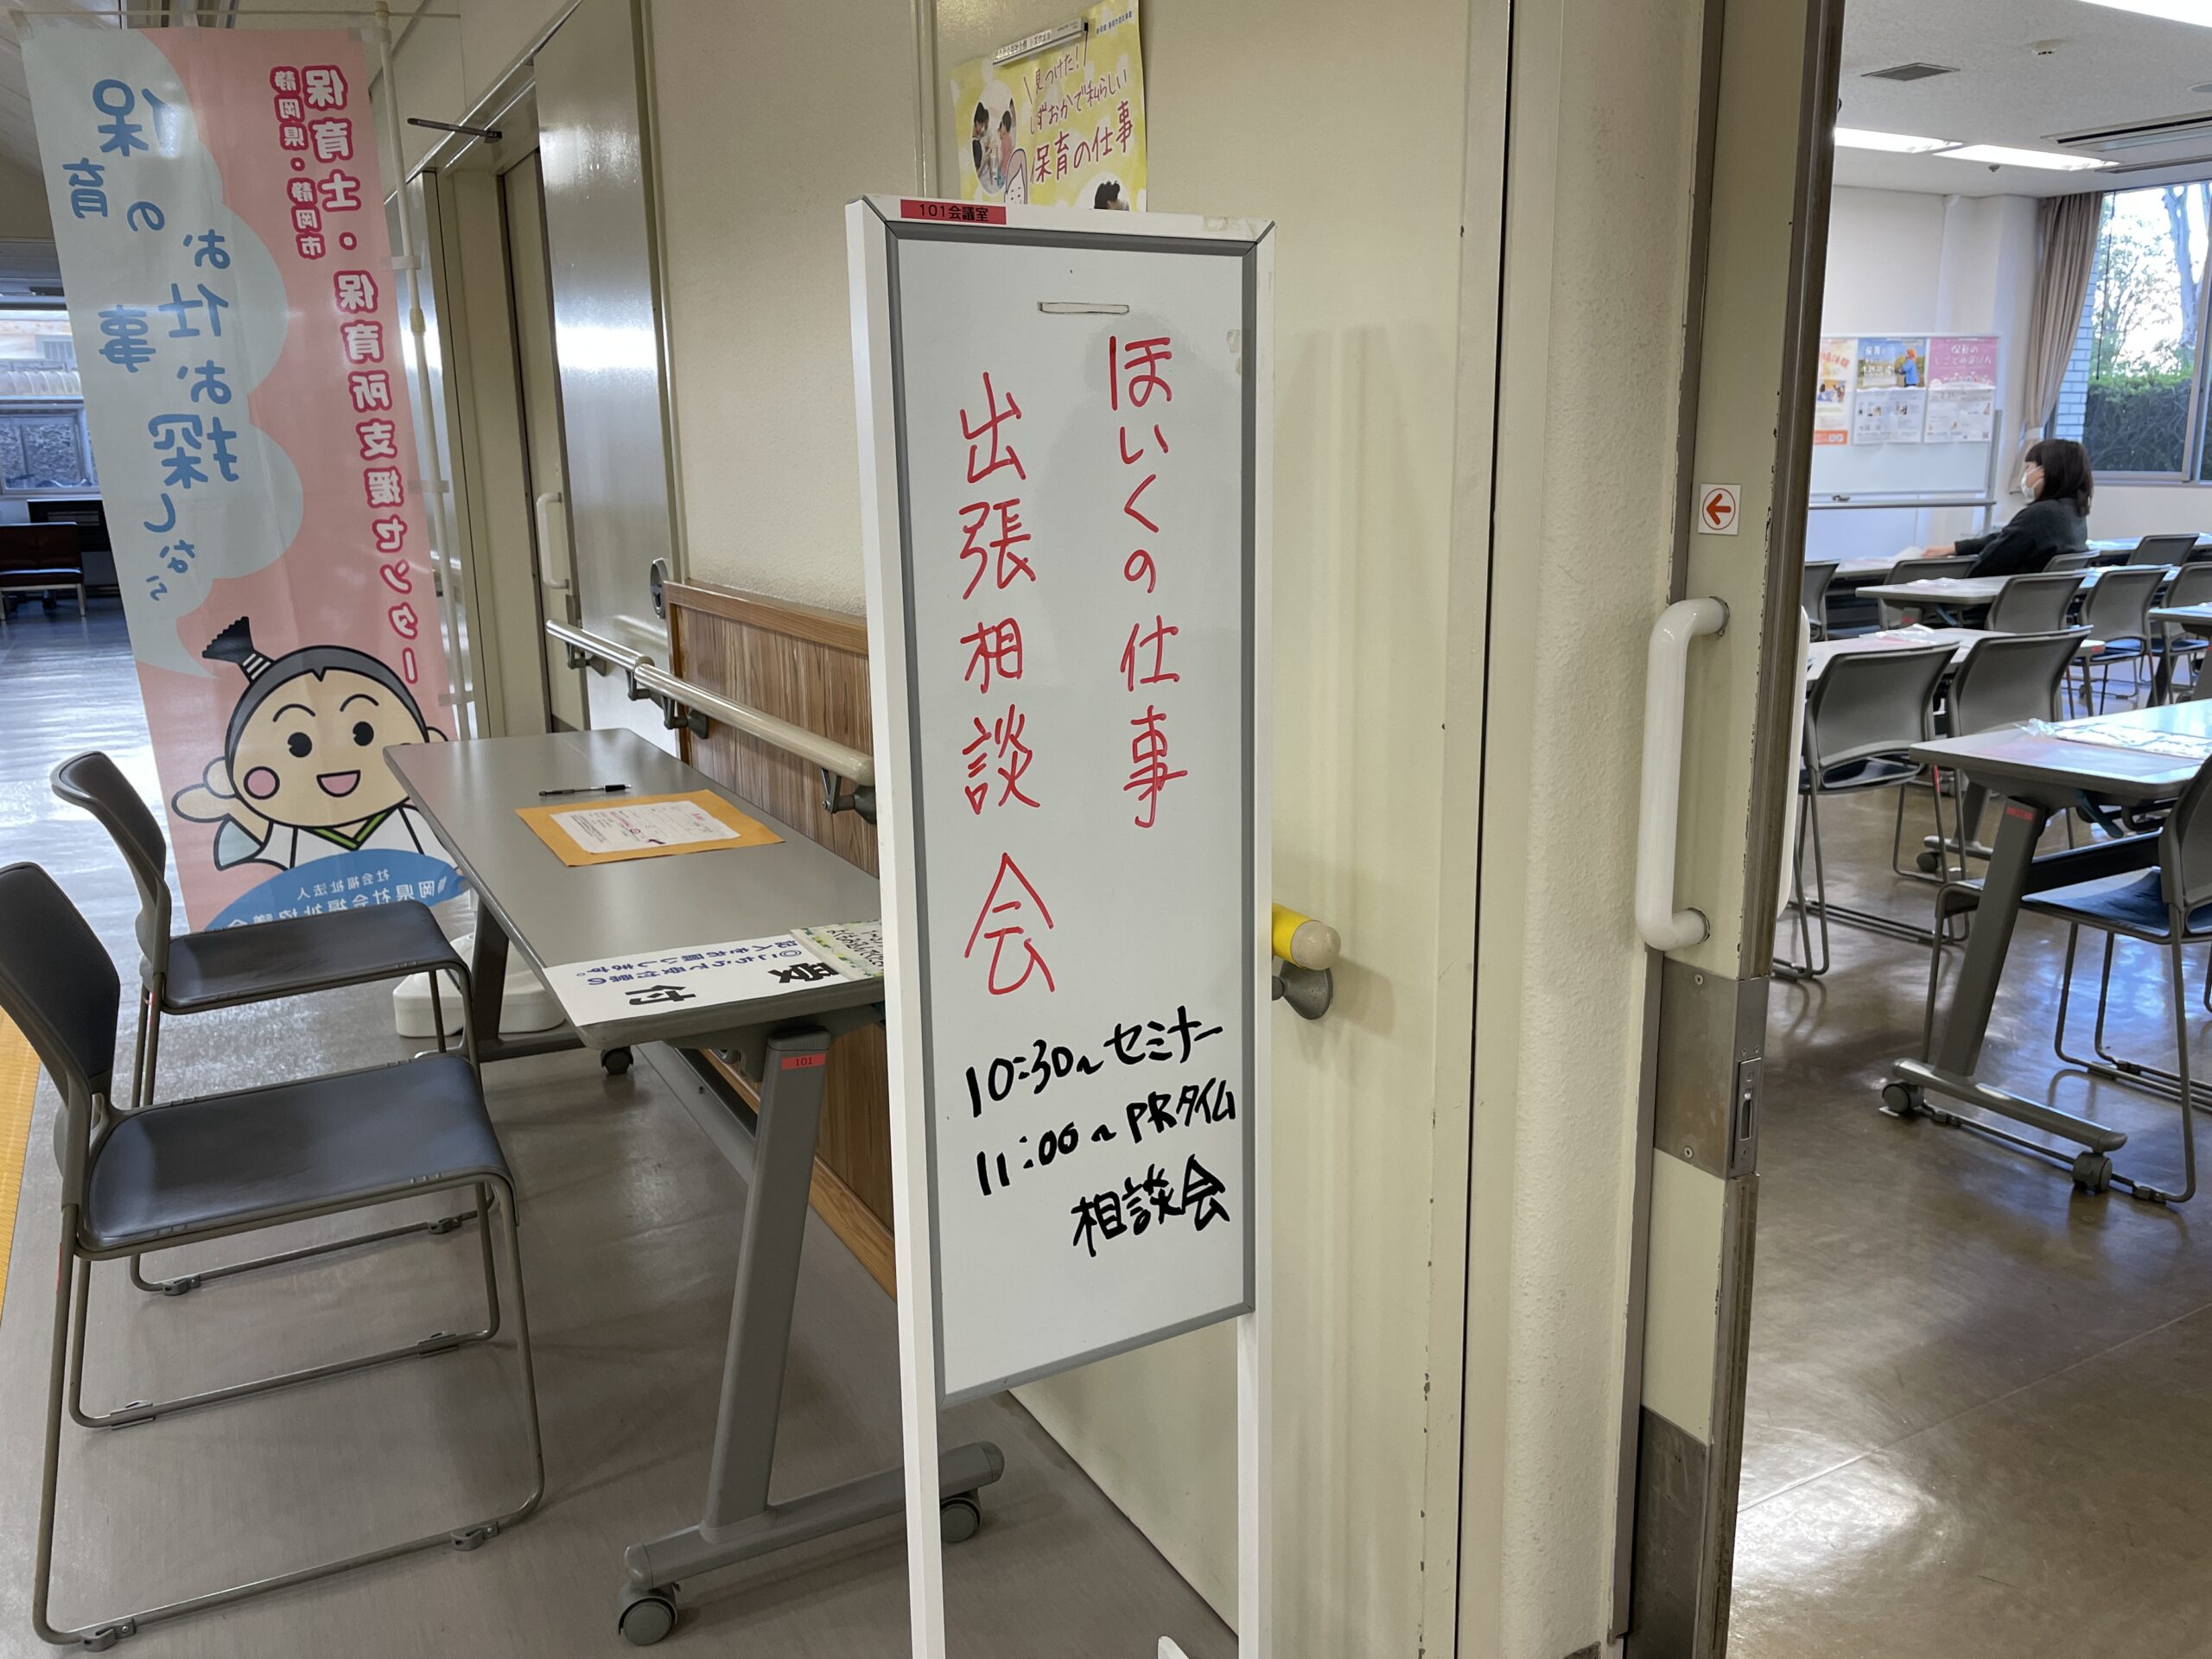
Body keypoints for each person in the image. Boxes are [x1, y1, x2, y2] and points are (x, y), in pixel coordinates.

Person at [1921, 438, 2092, 578]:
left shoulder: (2040, 514)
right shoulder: (2073, 512)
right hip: (2037, 606)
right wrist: (1957, 548)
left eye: (2028, 467)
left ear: (2043, 471)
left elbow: (1990, 563)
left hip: (1999, 603)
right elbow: (2008, 537)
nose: (2026, 474)